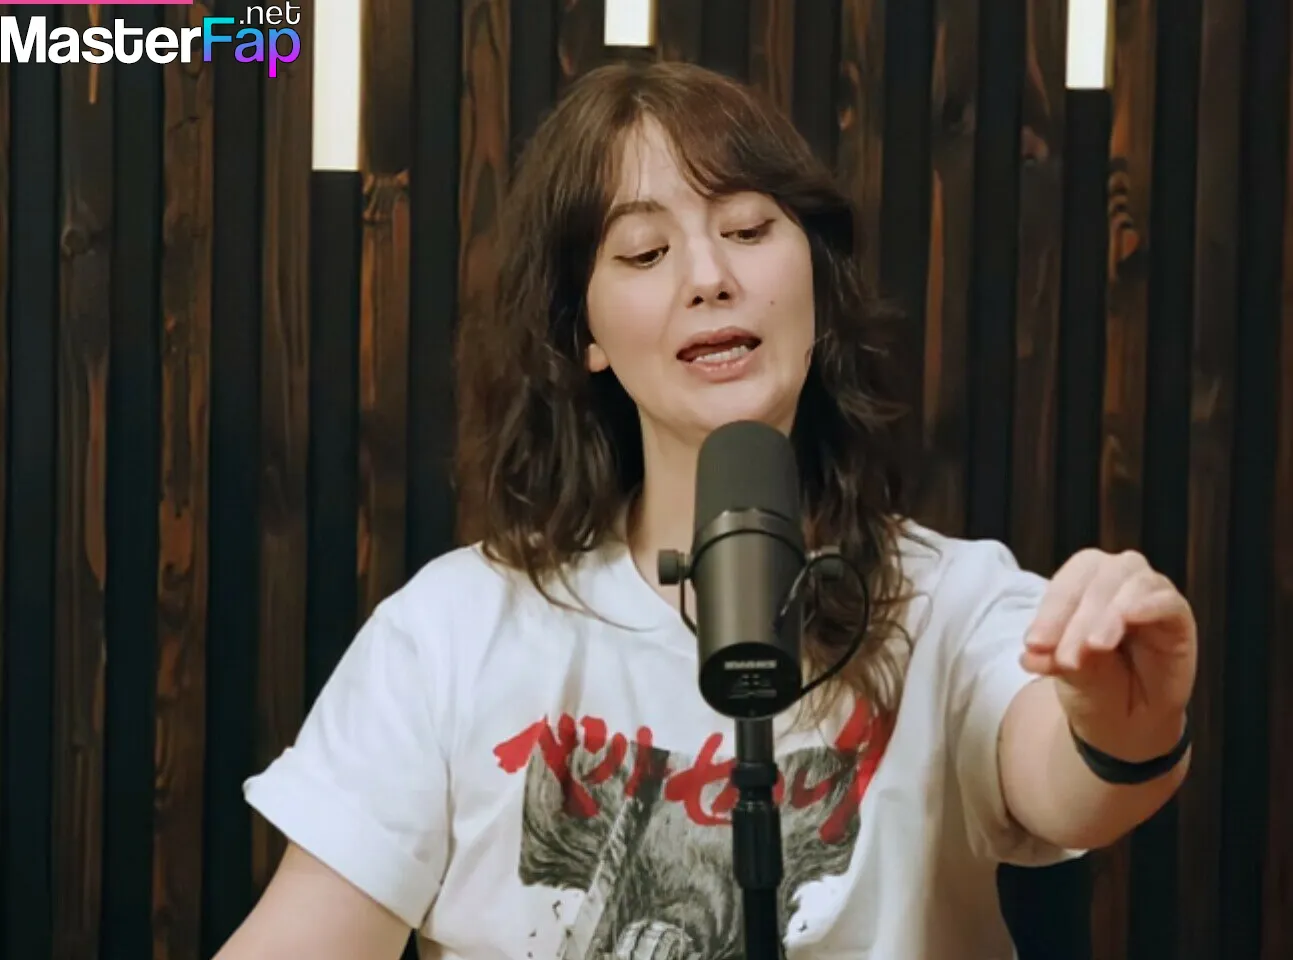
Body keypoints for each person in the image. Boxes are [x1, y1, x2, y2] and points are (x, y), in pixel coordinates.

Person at [214, 61, 1196, 960]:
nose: (709, 278)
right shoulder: (455, 630)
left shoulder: (949, 603)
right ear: (585, 332)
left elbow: (1067, 781)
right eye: (644, 252)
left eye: (748, 231)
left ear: (814, 278)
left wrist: (1122, 718)